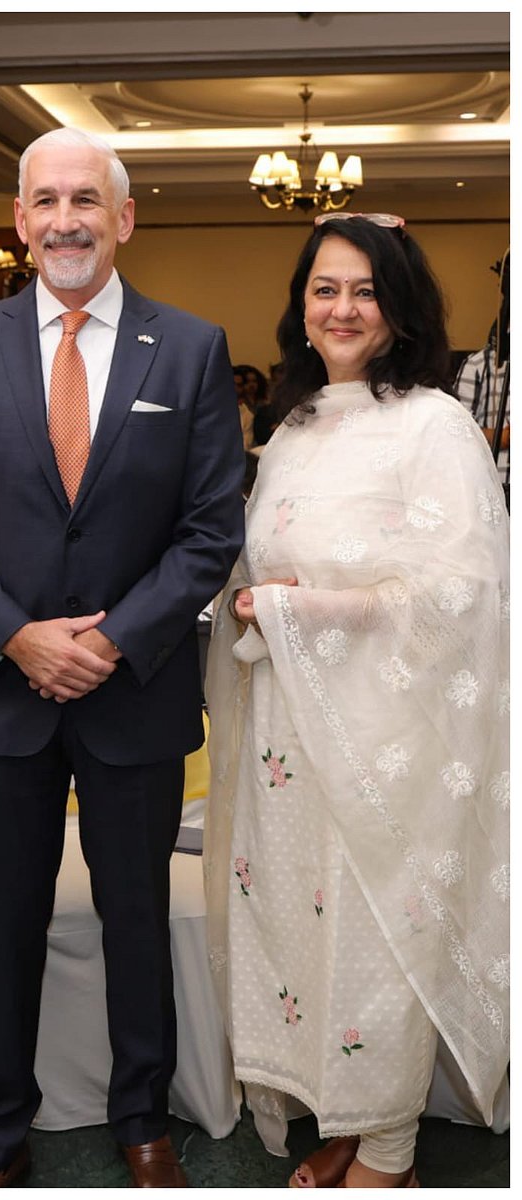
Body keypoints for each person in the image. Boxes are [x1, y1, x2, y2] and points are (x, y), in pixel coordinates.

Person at [0, 126, 245, 1188]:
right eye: (46, 201)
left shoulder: (191, 347)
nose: (65, 220)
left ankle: (144, 1120)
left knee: (137, 920)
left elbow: (210, 529)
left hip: (134, 691)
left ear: (124, 219)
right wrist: (17, 636)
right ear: (20, 220)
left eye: (86, 201)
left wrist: (110, 640)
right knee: (4, 922)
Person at [204, 214, 509, 1188]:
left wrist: (306, 608)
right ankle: (342, 1113)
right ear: (301, 304)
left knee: (383, 929)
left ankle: (388, 1147)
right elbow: (256, 565)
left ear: (400, 307)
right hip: (289, 733)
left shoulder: (434, 422)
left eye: (365, 290)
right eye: (325, 288)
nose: (343, 308)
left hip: (389, 737)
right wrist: (255, 607)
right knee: (303, 926)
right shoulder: (291, 427)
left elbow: (462, 588)